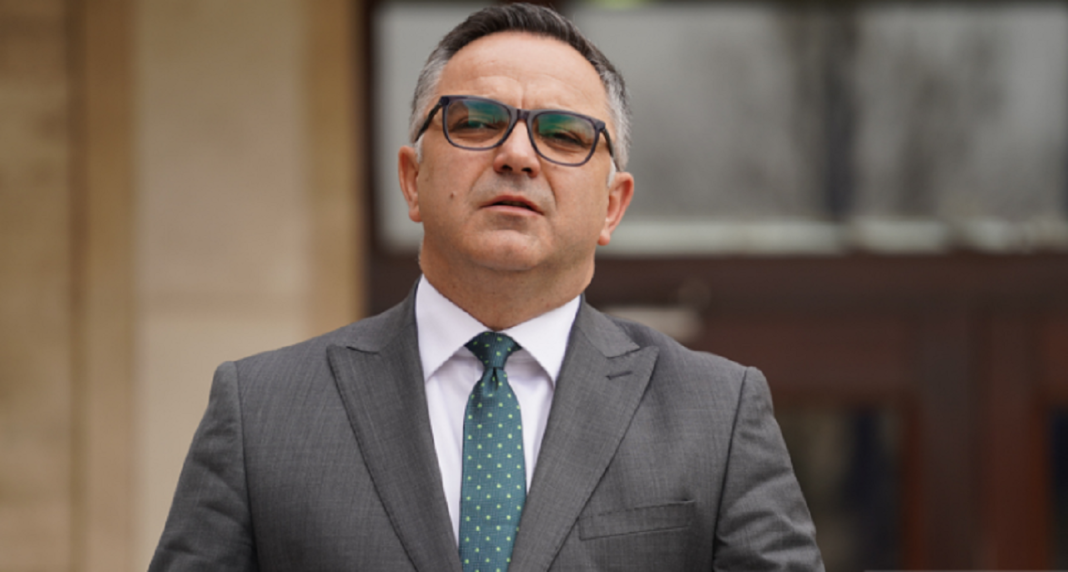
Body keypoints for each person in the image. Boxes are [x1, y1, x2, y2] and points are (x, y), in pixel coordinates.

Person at [148, 4, 823, 571]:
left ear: (612, 206)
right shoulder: (261, 413)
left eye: (564, 134)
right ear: (412, 179)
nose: (517, 155)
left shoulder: (717, 416)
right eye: (476, 122)